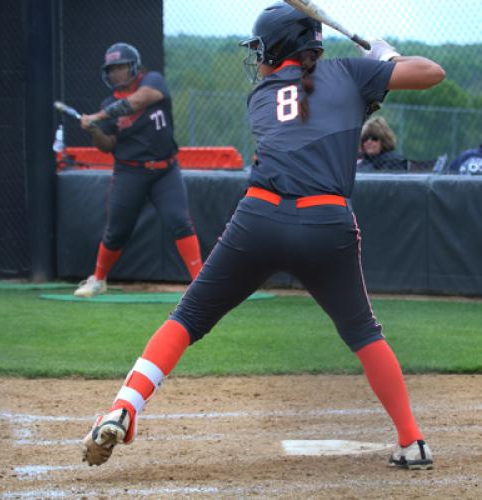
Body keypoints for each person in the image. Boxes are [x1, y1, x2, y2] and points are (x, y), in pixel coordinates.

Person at [81, 4, 445, 470]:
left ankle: (126, 407)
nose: (259, 57)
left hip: (259, 219)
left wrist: (371, 68)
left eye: (262, 48)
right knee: (363, 333)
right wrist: (384, 56)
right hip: (327, 224)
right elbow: (431, 73)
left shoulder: (262, 93)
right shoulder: (351, 72)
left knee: (188, 316)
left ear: (279, 49)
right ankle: (412, 440)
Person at [74, 43, 203, 297]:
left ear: (133, 66)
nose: (115, 74)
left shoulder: (153, 81)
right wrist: (94, 130)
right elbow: (107, 145)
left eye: (120, 67)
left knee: (179, 221)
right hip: (129, 172)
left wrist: (98, 116)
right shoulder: (109, 103)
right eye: (111, 70)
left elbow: (139, 100)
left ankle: (201, 283)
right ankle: (98, 279)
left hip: (165, 170)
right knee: (116, 231)